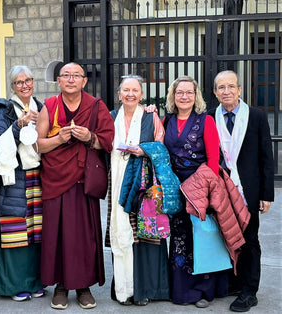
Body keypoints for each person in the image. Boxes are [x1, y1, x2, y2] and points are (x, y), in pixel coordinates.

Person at [36, 62, 114, 310]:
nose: (71, 79)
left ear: (84, 81)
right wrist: (59, 139)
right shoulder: (49, 107)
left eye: (76, 75)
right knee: (56, 233)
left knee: (84, 235)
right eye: (66, 75)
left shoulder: (95, 106)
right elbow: (38, 145)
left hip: (83, 180)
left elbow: (109, 141)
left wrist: (89, 138)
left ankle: (83, 286)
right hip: (55, 178)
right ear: (58, 81)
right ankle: (60, 285)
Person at [209, 70, 274, 312]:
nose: (226, 91)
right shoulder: (209, 117)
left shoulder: (256, 116)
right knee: (227, 237)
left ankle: (249, 291)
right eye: (221, 87)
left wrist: (267, 194)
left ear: (240, 90)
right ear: (215, 92)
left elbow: (266, 156)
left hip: (249, 190)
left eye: (231, 86)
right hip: (223, 191)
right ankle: (234, 283)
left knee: (249, 240)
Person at [163, 75, 227, 308]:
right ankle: (181, 290)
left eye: (189, 92)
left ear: (196, 95)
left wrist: (207, 190)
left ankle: (203, 290)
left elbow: (213, 159)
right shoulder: (166, 120)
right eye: (180, 92)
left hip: (199, 187)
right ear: (173, 95)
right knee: (179, 237)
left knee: (201, 236)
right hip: (175, 189)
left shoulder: (205, 120)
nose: (184, 96)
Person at [106, 75, 169, 306]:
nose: (130, 94)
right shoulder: (111, 117)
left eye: (135, 90)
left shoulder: (151, 117)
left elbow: (162, 149)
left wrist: (144, 151)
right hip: (117, 182)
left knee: (144, 236)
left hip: (143, 185)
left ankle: (145, 289)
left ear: (141, 95)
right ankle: (124, 289)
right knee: (122, 234)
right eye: (126, 90)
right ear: (119, 94)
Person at [0, 65, 45, 302]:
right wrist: (19, 125)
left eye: (28, 80)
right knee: (15, 230)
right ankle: (13, 285)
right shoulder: (4, 108)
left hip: (37, 175)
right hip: (14, 176)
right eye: (18, 82)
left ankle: (35, 281)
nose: (24, 85)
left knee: (36, 230)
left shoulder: (41, 107)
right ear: (12, 86)